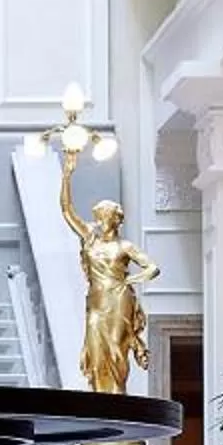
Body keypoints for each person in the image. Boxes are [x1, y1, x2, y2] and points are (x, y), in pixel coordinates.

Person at [60, 148, 156, 394]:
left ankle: (117, 401)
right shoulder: (90, 239)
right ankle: (99, 400)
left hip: (119, 301)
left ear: (116, 219)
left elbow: (152, 267)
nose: (100, 220)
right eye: (99, 216)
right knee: (95, 353)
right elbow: (67, 210)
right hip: (96, 302)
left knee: (116, 350)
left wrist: (129, 280)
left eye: (104, 216)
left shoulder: (125, 246)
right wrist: (67, 175)